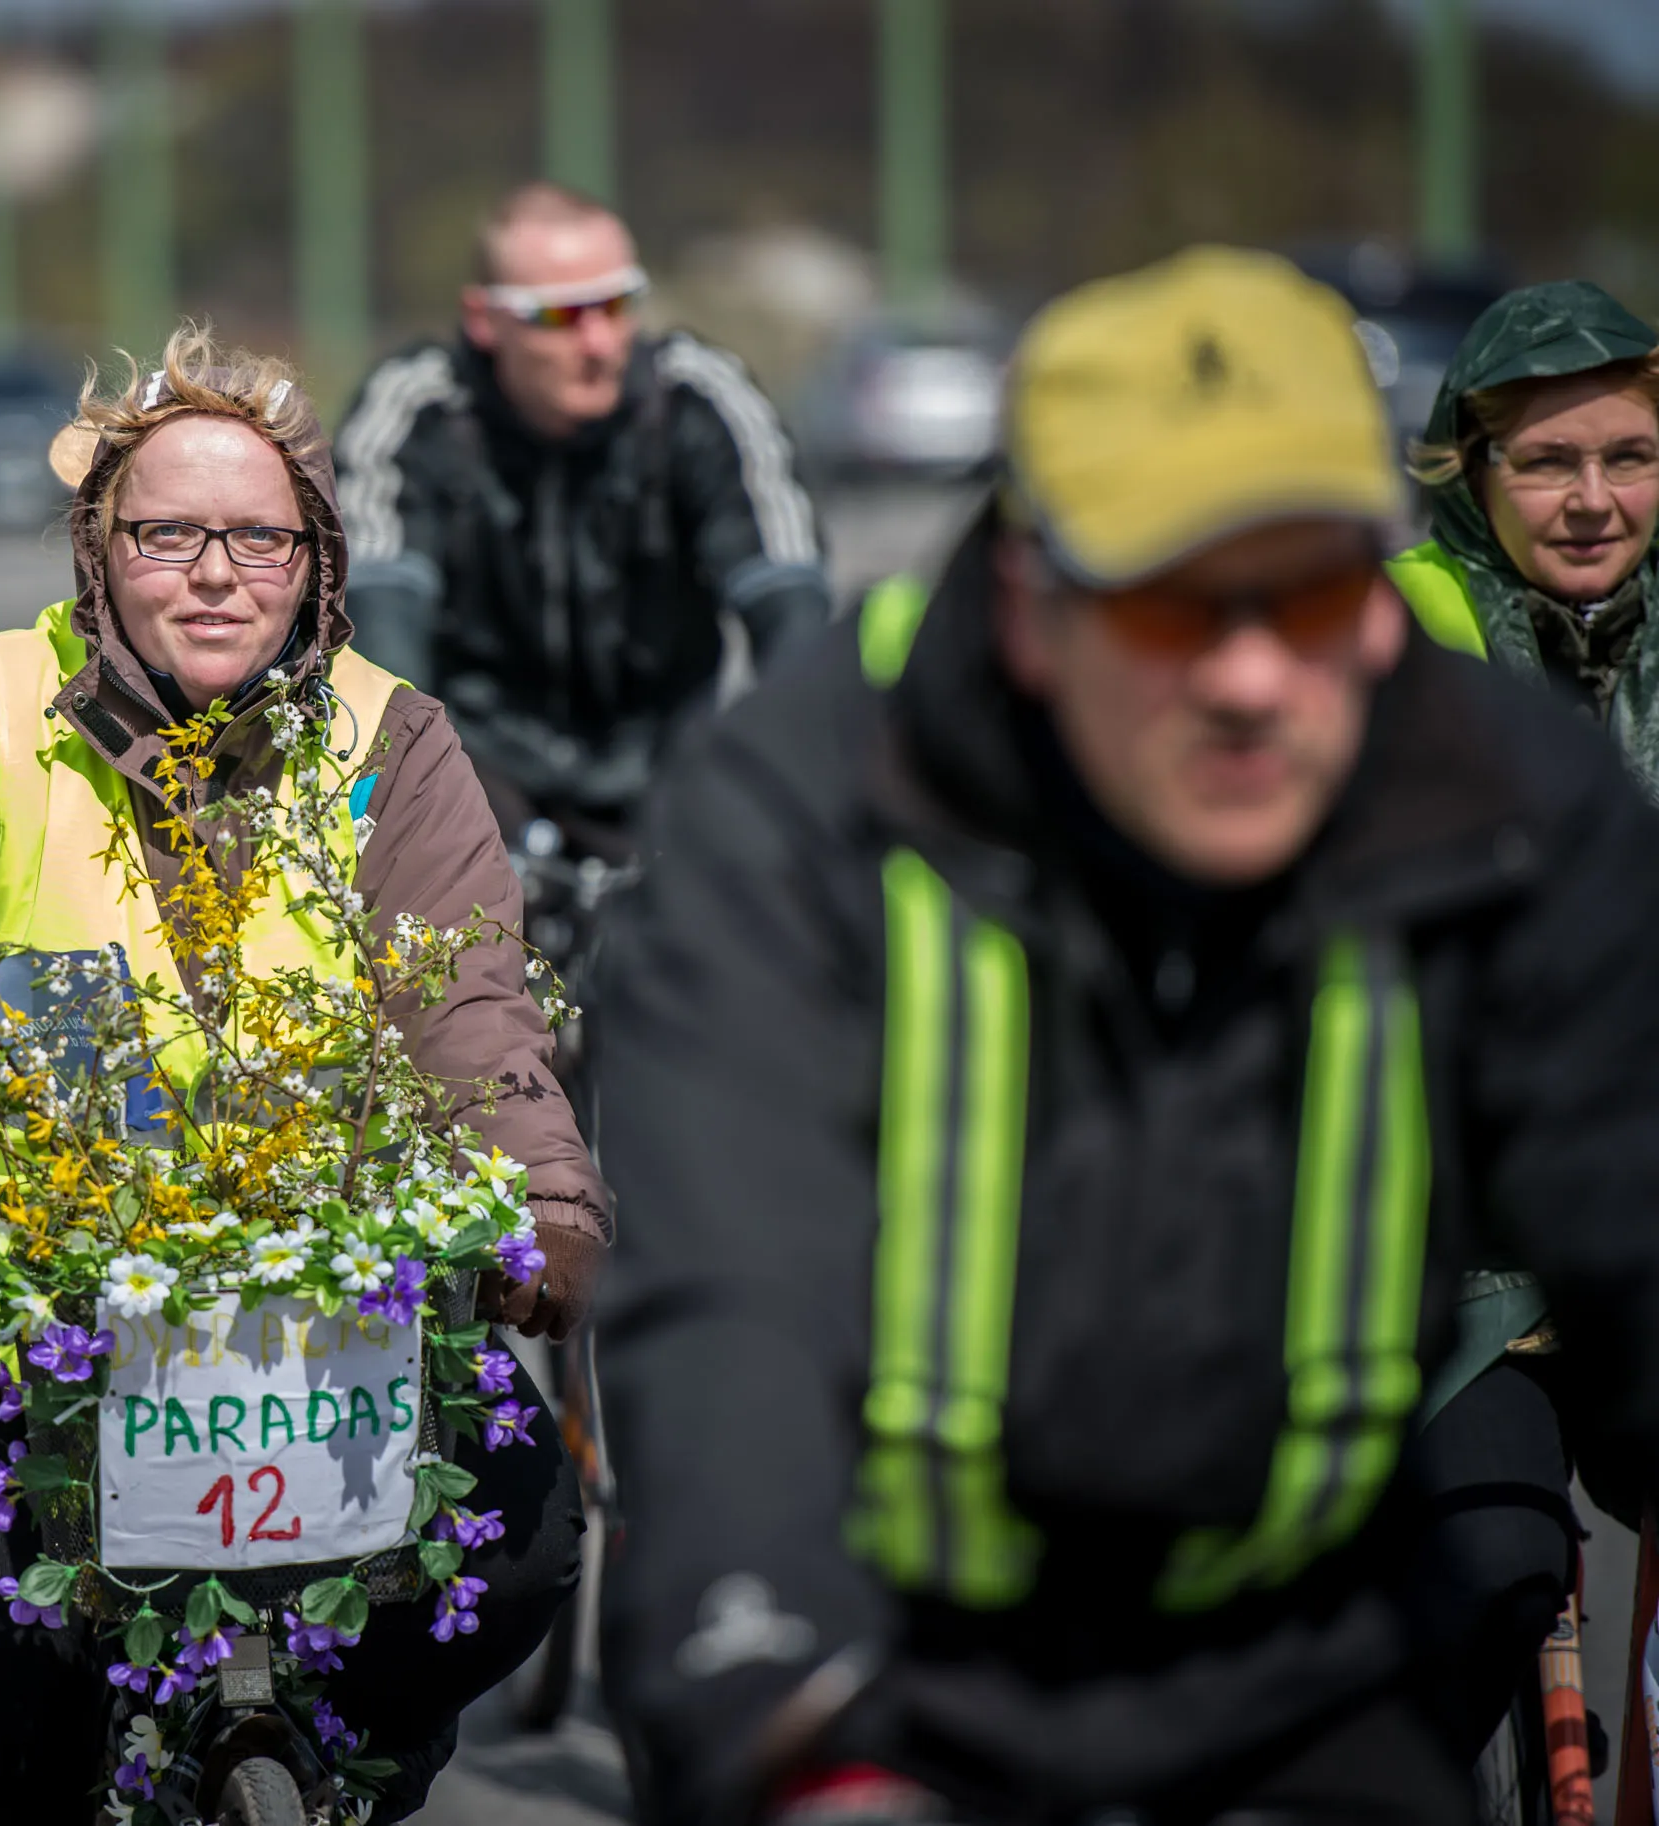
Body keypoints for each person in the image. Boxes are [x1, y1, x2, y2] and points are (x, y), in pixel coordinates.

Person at [594, 245, 1659, 1824]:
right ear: (1031, 604)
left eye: (1306, 591)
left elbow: (1630, 1201)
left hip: (1303, 1652)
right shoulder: (794, 806)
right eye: (1169, 601)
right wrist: (784, 1721)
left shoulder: (1508, 806)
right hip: (889, 1660)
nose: (1246, 677)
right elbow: (727, 1307)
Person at [0, 325, 603, 1820]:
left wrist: (543, 1200)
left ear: (315, 557)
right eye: (167, 531)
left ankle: (334, 1769)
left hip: (321, 1332)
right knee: (0, 1767)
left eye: (256, 535)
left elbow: (474, 1015)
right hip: (19, 1334)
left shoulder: (394, 739)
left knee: (523, 1548)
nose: (212, 570)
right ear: (98, 547)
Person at [1378, 279, 1659, 1764]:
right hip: (1458, 1264)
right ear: (1471, 472)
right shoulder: (1402, 641)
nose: (1596, 499)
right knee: (1482, 1579)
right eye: (1548, 461)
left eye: (1631, 456)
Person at [334, 180, 828, 859]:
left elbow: (789, 601)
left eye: (617, 305)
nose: (599, 343)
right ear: (484, 319)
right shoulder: (417, 409)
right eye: (562, 317)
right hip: (480, 790)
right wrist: (419, 796)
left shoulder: (699, 397)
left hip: (667, 785)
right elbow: (379, 623)